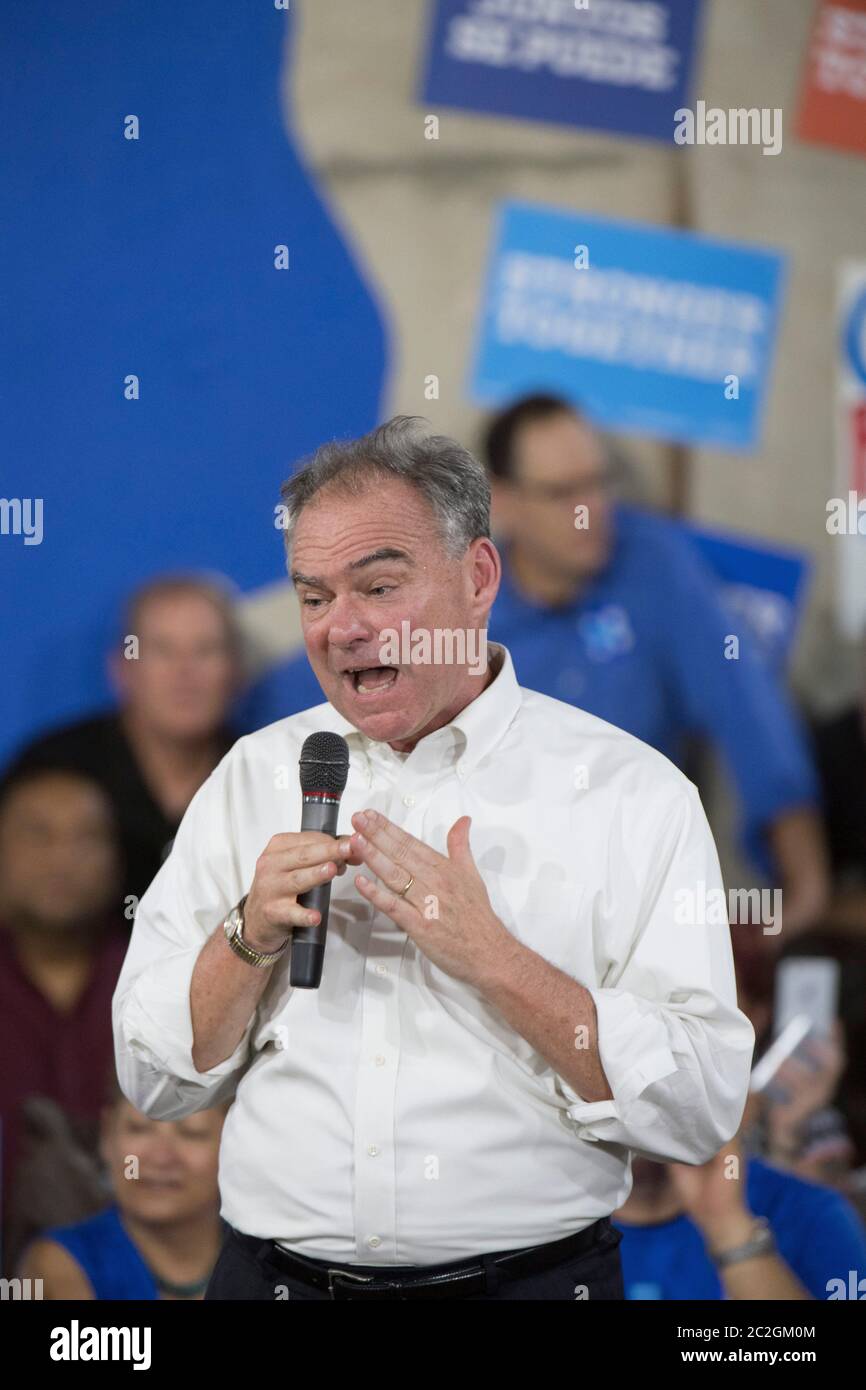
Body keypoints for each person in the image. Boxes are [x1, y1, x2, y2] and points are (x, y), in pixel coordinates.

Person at [113, 415, 754, 1302]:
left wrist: (497, 963)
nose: (342, 628)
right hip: (271, 1285)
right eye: (313, 597)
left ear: (478, 576)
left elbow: (700, 1105)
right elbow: (152, 1078)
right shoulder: (252, 776)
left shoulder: (631, 795)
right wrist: (247, 937)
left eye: (377, 588)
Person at [239, 397, 829, 941]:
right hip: (474, 887)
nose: (590, 511)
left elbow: (749, 713)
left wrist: (801, 895)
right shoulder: (455, 603)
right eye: (562, 493)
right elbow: (310, 675)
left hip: (624, 901)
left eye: (599, 485)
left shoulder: (654, 565)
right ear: (505, 500)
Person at [7, 574, 243, 910]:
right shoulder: (53, 767)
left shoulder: (264, 772)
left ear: (235, 670)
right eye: (162, 650)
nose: (185, 672)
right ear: (121, 669)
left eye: (206, 650)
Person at [0, 764, 128, 1273]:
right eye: (38, 834)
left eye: (86, 837)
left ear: (116, 861)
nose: (62, 858)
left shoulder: (156, 981)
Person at [18, 1079, 227, 1299]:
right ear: (108, 1134)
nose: (160, 1157)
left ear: (235, 1144)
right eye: (138, 1129)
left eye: (192, 1133)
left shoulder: (262, 1257)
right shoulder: (53, 1267)